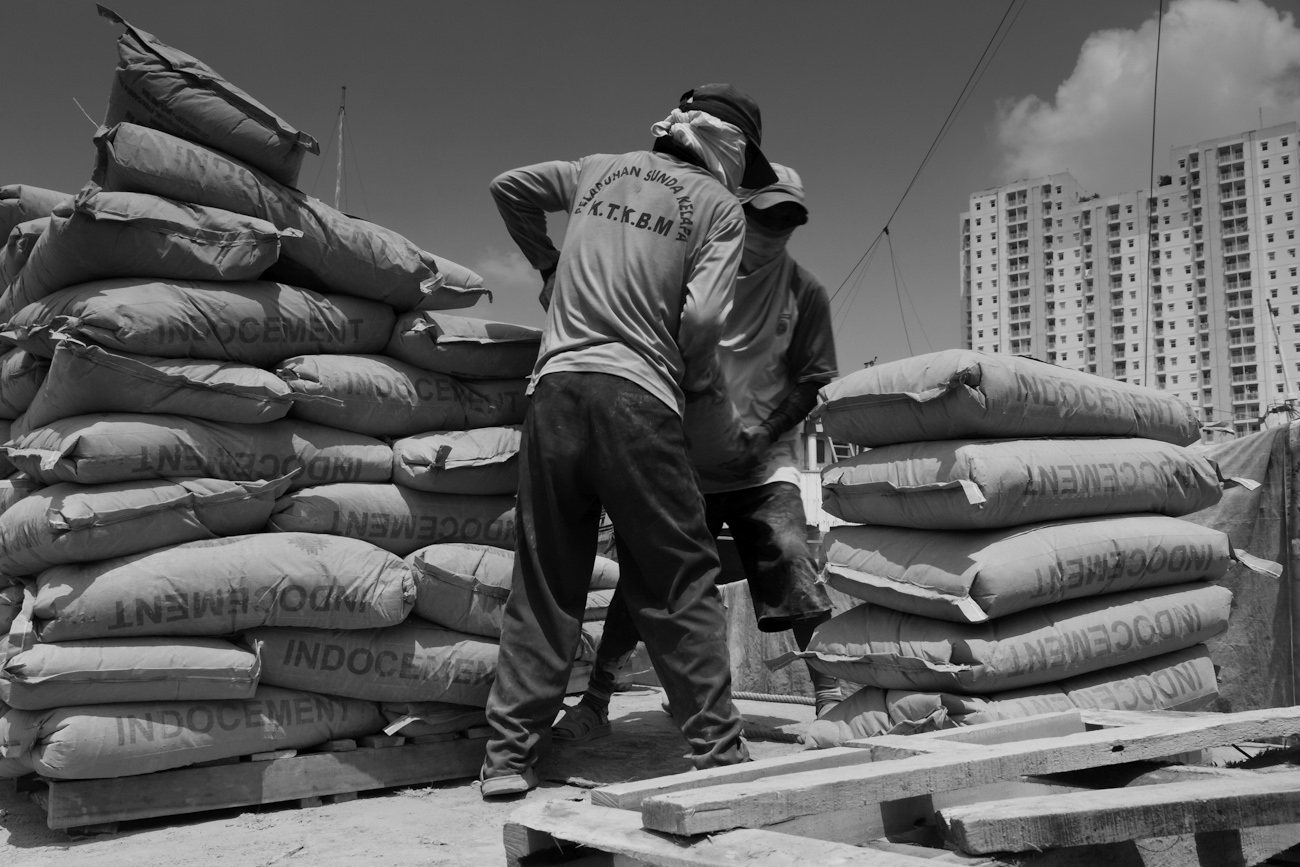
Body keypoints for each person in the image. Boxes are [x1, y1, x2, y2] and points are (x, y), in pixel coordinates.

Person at [478, 84, 779, 798]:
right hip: (638, 401)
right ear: (729, 149)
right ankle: (716, 744)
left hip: (553, 395)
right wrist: (696, 378)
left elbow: (508, 188)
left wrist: (550, 266)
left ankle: (509, 758)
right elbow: (703, 320)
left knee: (547, 576)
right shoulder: (718, 209)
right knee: (678, 572)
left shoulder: (596, 168)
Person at [553, 164, 842, 745]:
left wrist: (765, 431)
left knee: (789, 555)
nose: (771, 233)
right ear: (735, 214)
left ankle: (832, 693)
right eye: (761, 218)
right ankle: (597, 699)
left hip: (763, 465)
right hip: (682, 464)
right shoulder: (684, 272)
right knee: (648, 578)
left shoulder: (803, 293)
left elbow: (814, 378)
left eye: (785, 222)